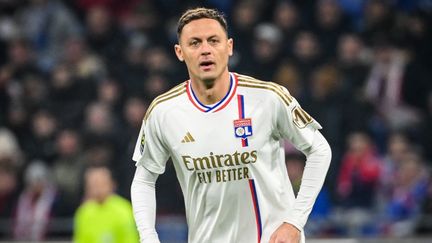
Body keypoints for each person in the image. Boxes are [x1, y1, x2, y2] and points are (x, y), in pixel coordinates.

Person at [131, 7, 332, 243]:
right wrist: (148, 237)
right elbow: (144, 179)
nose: (205, 50)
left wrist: (295, 222)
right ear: (180, 52)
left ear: (229, 47)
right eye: (194, 43)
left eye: (213, 41)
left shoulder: (267, 97)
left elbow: (320, 150)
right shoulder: (163, 112)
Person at [73, 165, 139, 243]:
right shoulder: (83, 212)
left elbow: (130, 239)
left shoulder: (124, 209)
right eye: (93, 185)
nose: (97, 189)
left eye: (100, 184)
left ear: (111, 184)